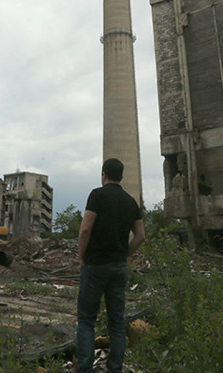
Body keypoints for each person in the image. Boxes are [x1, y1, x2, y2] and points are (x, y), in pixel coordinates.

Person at [76, 158, 145, 373]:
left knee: (87, 320)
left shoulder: (97, 195)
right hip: (118, 268)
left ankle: (85, 369)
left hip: (95, 266)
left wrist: (81, 255)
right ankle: (115, 368)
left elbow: (85, 229)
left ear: (103, 174)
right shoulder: (130, 201)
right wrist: (125, 254)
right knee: (116, 322)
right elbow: (141, 235)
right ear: (122, 177)